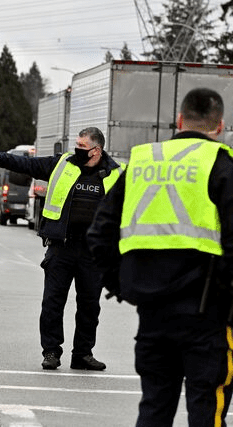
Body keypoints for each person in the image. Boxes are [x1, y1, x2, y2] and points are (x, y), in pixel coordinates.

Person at [87, 88, 233, 426]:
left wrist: (123, 285)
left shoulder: (142, 161)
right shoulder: (221, 165)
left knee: (154, 406)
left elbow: (99, 234)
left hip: (152, 312)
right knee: (206, 408)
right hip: (206, 314)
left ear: (179, 121)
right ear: (220, 126)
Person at [0, 127, 124, 371]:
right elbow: (29, 165)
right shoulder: (63, 163)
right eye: (76, 144)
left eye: (82, 146)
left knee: (90, 306)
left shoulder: (116, 174)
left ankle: (83, 354)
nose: (77, 149)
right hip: (62, 247)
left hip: (93, 252)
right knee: (52, 303)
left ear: (96, 151)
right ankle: (51, 352)